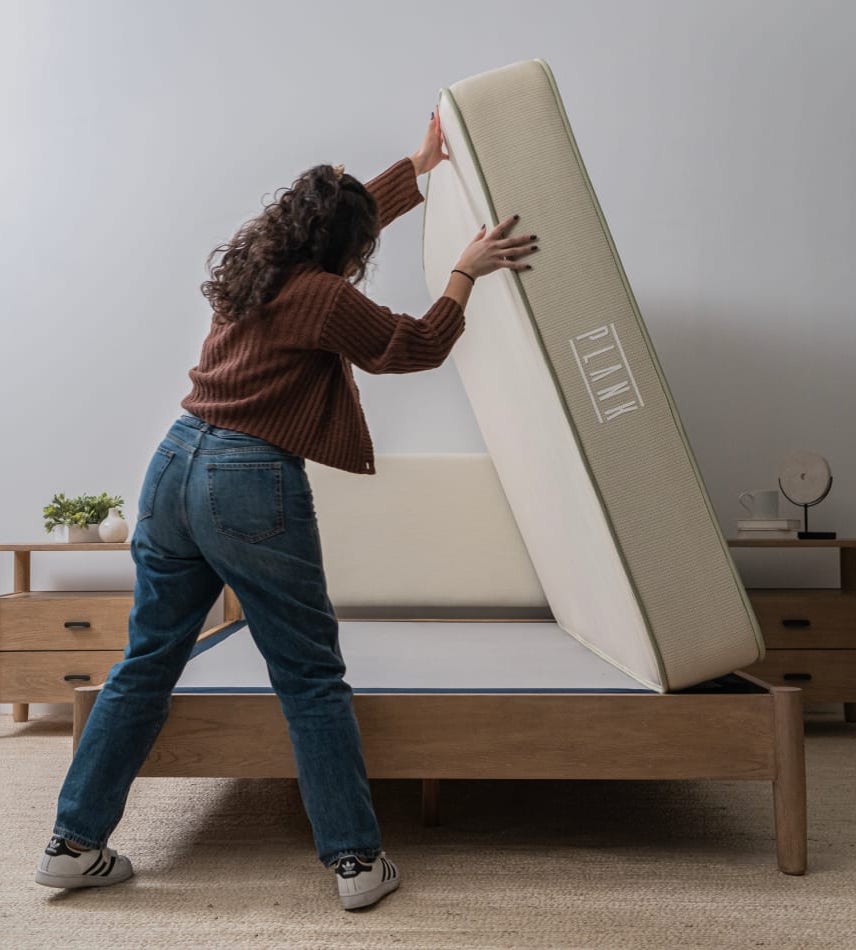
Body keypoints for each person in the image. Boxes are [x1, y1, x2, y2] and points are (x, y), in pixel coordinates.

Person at [35, 109, 538, 911]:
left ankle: (72, 843)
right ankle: (356, 863)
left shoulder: (253, 265)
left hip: (173, 462)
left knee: (145, 663)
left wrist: (417, 166)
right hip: (246, 477)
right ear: (345, 248)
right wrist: (465, 270)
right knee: (309, 674)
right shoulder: (323, 295)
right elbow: (414, 345)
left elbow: (334, 216)